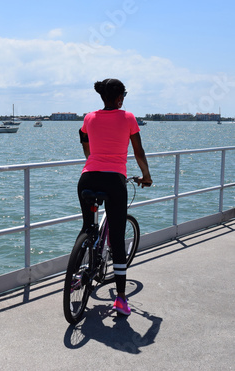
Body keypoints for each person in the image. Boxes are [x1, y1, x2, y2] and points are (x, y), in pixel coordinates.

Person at [77, 78, 152, 316]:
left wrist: (92, 157)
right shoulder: (128, 117)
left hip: (88, 178)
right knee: (117, 240)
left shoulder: (89, 117)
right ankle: (120, 298)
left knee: (87, 227)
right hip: (114, 181)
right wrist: (146, 176)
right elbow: (138, 151)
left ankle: (78, 273)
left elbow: (84, 139)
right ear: (120, 98)